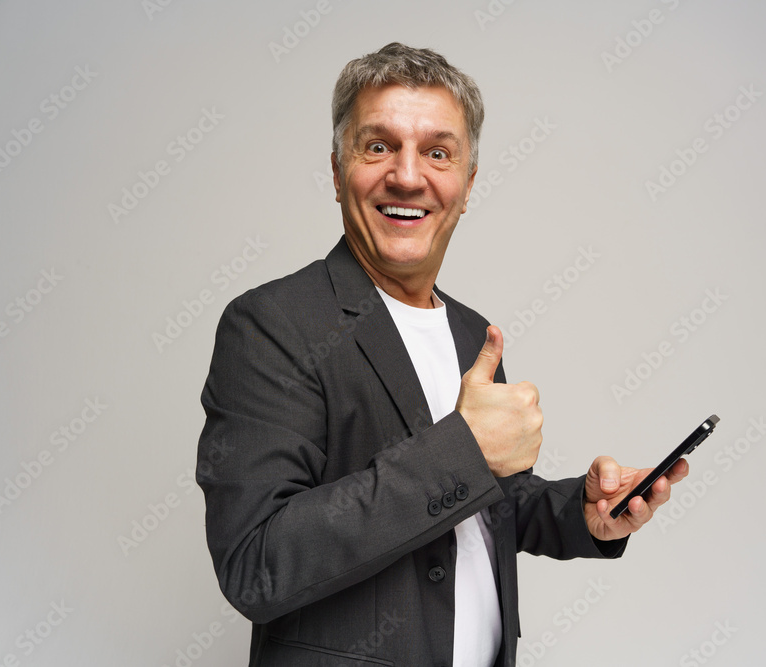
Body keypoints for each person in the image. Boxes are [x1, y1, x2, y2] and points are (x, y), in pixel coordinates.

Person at [197, 42, 689, 667]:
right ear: (336, 167)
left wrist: (582, 513)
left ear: (468, 182)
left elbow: (484, 502)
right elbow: (257, 563)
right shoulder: (271, 325)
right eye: (378, 146)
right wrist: (465, 448)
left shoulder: (471, 333)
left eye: (437, 152)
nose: (407, 175)